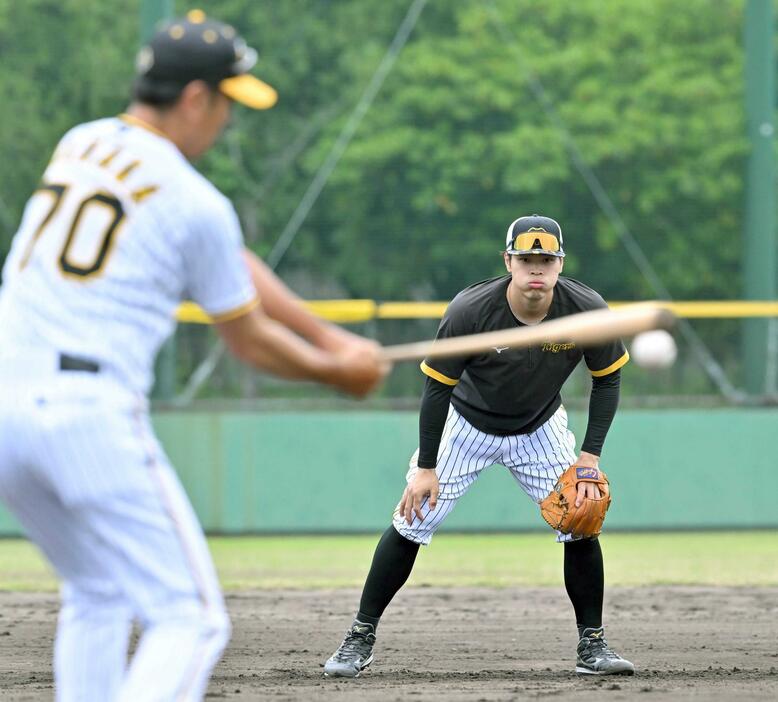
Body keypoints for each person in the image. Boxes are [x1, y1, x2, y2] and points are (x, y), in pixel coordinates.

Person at [0, 11, 387, 702]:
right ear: (195, 98)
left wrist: (329, 335)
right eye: (228, 103)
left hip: (7, 407)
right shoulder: (191, 199)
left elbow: (229, 261)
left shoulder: (81, 143)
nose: (228, 122)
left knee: (96, 589)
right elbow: (246, 339)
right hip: (86, 416)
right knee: (193, 619)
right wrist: (336, 372)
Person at [323, 214, 635, 678]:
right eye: (526, 258)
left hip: (540, 428)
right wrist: (426, 467)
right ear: (508, 260)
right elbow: (435, 390)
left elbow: (607, 382)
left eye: (545, 260)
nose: (536, 269)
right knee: (411, 520)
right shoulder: (471, 311)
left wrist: (589, 459)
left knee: (580, 521)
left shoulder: (586, 310)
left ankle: (593, 645)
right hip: (465, 426)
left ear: (559, 264)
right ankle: (358, 638)